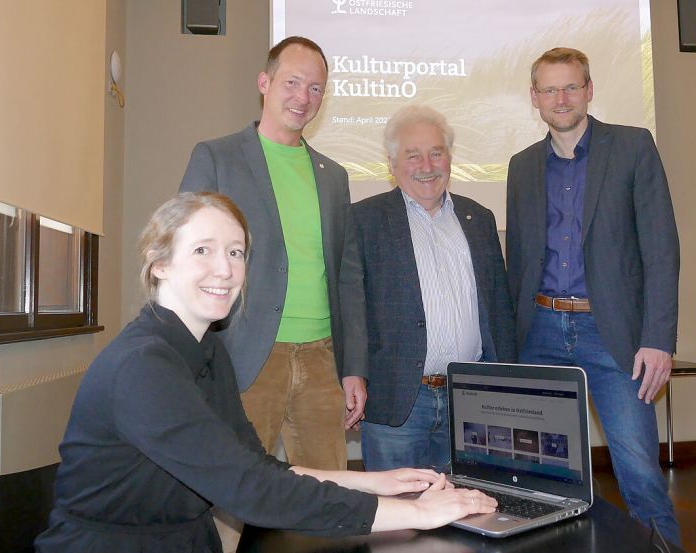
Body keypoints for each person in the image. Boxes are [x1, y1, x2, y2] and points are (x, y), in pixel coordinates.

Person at [34, 192, 496, 553]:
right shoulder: (142, 367)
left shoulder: (204, 348)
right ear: (159, 264)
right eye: (203, 250)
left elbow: (257, 467)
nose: (225, 269)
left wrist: (377, 481)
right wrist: (412, 513)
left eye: (236, 253)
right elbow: (253, 492)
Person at [505, 47, 682, 545]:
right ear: (534, 98)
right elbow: (517, 262)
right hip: (538, 334)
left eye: (570, 86)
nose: (560, 98)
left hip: (613, 339)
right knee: (542, 480)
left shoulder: (632, 147)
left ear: (588, 90)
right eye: (549, 89)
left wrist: (658, 339)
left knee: (640, 478)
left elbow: (661, 251)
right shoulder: (521, 167)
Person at [179, 36, 362, 471]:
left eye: (315, 88)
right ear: (265, 82)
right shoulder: (217, 157)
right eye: (292, 82)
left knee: (330, 502)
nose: (304, 97)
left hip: (321, 360)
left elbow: (348, 277)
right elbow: (186, 255)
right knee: (229, 498)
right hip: (245, 356)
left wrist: (353, 367)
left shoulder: (334, 177)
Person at [339, 105, 516, 471]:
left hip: (471, 398)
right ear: (391, 163)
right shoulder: (363, 220)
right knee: (398, 520)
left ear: (449, 158)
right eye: (412, 155)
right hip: (398, 400)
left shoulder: (479, 219)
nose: (427, 165)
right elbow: (350, 310)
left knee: (471, 512)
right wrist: (352, 373)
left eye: (436, 153)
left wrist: (508, 384)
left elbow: (498, 309)